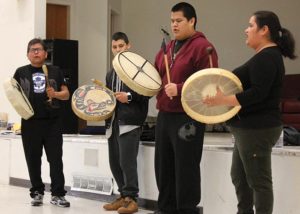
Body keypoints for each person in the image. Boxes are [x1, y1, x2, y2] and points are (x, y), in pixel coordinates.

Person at [203, 11, 297, 214]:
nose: (246, 29)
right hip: (248, 129)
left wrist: (223, 100)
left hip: (257, 129)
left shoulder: (267, 57)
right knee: (239, 176)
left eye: (250, 25)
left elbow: (258, 93)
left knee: (258, 181)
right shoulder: (265, 56)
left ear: (264, 30)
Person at [154, 2, 218, 214]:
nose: (174, 25)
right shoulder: (168, 48)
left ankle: (186, 210)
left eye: (179, 21)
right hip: (164, 115)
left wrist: (180, 88)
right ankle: (164, 209)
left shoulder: (203, 47)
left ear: (192, 21)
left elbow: (210, 84)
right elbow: (156, 76)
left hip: (187, 118)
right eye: (172, 21)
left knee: (186, 169)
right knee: (163, 168)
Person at [13, 38, 70, 207]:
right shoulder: (20, 72)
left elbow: (66, 94)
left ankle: (58, 194)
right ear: (27, 54)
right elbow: (14, 95)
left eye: (39, 49)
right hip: (30, 123)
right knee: (33, 159)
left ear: (46, 53)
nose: (35, 52)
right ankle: (37, 192)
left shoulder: (55, 71)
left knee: (55, 159)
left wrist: (56, 95)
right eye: (32, 49)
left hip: (52, 122)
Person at [103, 32, 149, 214]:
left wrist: (128, 96)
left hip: (130, 121)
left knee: (127, 162)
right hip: (113, 122)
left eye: (121, 46)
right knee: (114, 161)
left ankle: (131, 199)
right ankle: (122, 196)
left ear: (128, 46)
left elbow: (148, 91)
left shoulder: (139, 69)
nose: (118, 49)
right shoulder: (110, 73)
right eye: (114, 47)